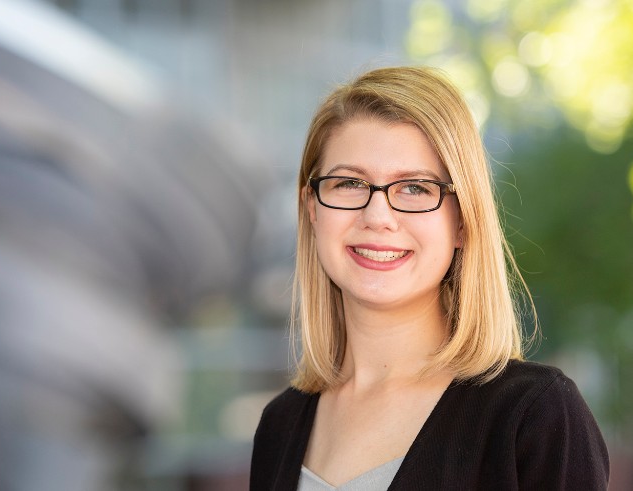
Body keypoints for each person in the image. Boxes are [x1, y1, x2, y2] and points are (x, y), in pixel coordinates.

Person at [250, 66, 609, 490]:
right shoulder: (280, 425)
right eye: (349, 182)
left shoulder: (533, 415)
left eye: (416, 188)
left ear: (462, 221)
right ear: (313, 208)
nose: (377, 217)